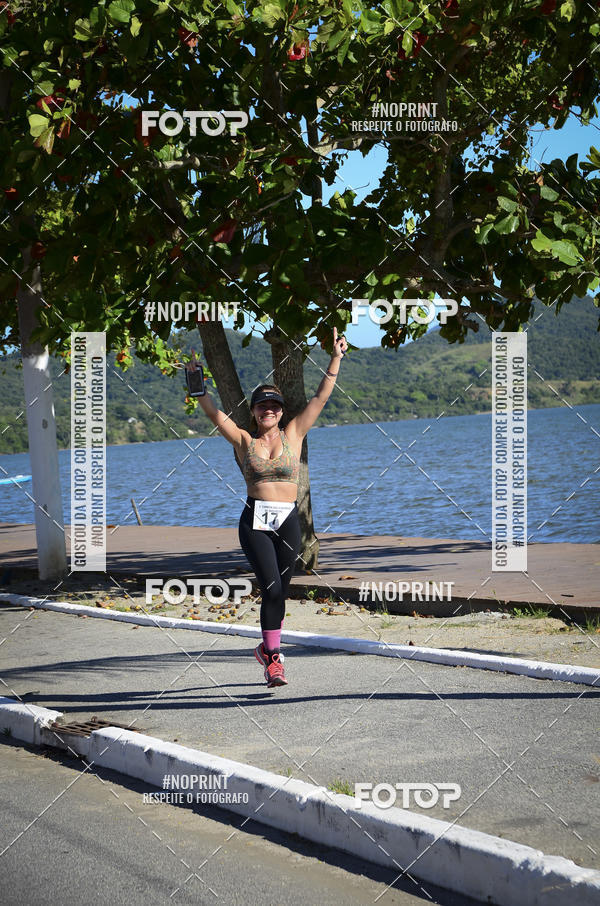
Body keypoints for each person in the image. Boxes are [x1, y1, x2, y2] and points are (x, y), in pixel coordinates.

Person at [186, 327, 348, 687]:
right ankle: (274, 661)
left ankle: (266, 648)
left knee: (280, 592)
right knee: (272, 589)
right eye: (262, 406)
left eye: (274, 405)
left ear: (281, 411)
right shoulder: (244, 440)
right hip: (255, 521)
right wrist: (196, 381)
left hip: (288, 520)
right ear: (254, 411)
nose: (268, 410)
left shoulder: (294, 434)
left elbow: (320, 398)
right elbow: (213, 413)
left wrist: (335, 358)